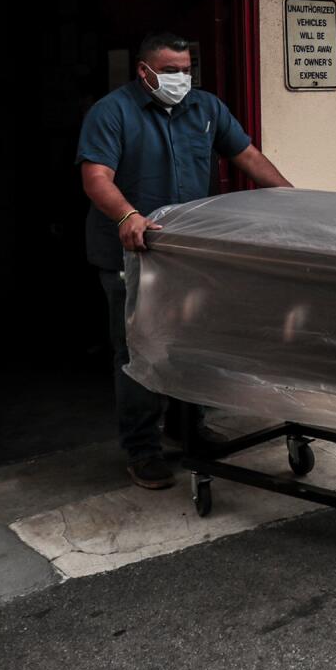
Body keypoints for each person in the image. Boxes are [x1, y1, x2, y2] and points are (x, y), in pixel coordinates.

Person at [77, 32, 292, 488]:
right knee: (139, 350)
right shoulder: (112, 112)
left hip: (189, 252)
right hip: (132, 252)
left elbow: (247, 155)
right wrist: (127, 214)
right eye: (170, 70)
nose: (180, 78)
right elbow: (96, 175)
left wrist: (291, 201)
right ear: (144, 70)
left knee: (190, 342)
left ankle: (186, 428)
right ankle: (142, 449)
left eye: (185, 69)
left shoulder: (206, 108)